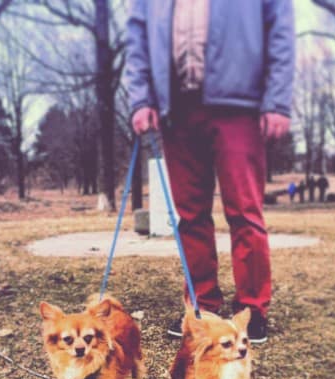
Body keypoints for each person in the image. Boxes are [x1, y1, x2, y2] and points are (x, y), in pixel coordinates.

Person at [125, 0, 295, 343]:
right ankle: (203, 305)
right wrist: (141, 99)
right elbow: (138, 38)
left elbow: (280, 29)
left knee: (245, 211)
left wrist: (276, 101)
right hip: (177, 108)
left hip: (240, 106)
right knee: (189, 215)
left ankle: (252, 309)